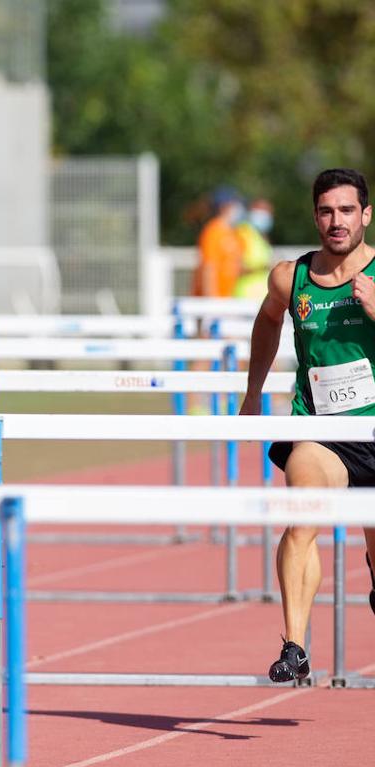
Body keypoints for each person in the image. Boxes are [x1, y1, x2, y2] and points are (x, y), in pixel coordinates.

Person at [241, 168, 375, 683]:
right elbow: (269, 319)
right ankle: (294, 644)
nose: (336, 221)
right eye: (326, 211)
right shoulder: (289, 277)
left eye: (346, 211)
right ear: (315, 216)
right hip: (321, 433)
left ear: (366, 215)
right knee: (302, 517)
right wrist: (253, 392)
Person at [193, 186, 246, 298]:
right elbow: (209, 267)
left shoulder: (235, 234)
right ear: (224, 207)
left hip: (228, 297)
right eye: (234, 204)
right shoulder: (213, 232)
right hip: (215, 300)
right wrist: (212, 300)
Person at [234, 198, 275, 299]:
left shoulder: (261, 236)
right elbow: (234, 268)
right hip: (245, 298)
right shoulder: (242, 233)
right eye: (264, 212)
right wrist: (263, 267)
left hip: (261, 299)